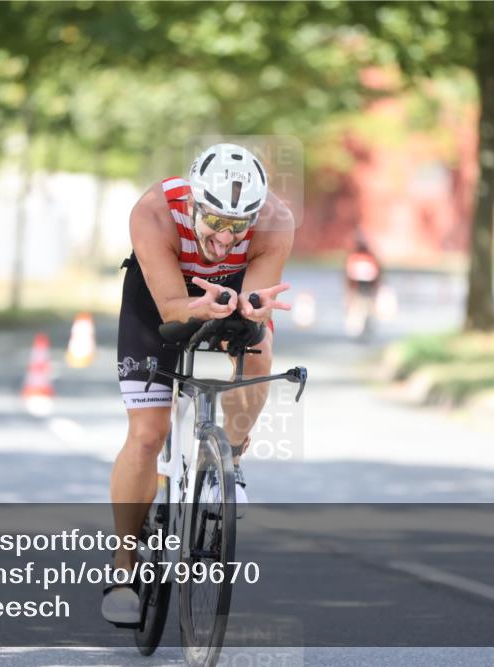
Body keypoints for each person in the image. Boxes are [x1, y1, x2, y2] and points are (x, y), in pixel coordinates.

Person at [104, 143, 294, 626]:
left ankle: (228, 460)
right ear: (193, 203)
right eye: (215, 222)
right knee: (148, 435)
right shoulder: (153, 211)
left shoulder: (276, 220)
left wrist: (252, 309)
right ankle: (123, 567)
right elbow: (171, 307)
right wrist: (197, 307)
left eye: (239, 225)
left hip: (229, 293)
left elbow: (259, 300)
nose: (227, 236)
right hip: (160, 301)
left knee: (261, 350)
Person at [343, 236, 381, 338]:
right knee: (361, 307)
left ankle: (364, 324)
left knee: (363, 307)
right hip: (361, 287)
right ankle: (361, 325)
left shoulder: (360, 258)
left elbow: (376, 274)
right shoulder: (362, 258)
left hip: (363, 287)